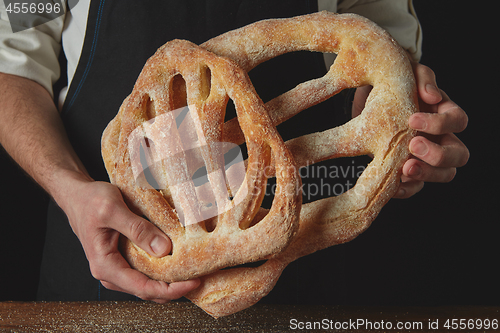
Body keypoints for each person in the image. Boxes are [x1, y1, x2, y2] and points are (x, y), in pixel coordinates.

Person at [0, 0, 469, 304]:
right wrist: (69, 187)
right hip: (104, 251)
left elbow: (377, 28)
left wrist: (399, 123)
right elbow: (9, 58)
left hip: (305, 271)